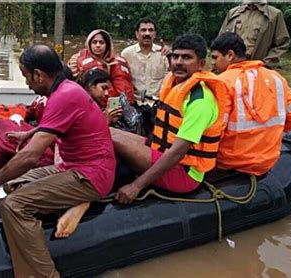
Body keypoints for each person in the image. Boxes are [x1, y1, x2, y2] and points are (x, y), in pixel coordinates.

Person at [0, 45, 116, 278]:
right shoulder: (65, 90)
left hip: (91, 175)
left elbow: (30, 157)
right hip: (71, 167)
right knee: (6, 189)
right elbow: (57, 127)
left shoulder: (64, 96)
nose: (27, 83)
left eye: (26, 76)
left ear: (38, 74)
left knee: (16, 205)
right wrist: (29, 134)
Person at [112, 33, 228, 204]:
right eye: (176, 56)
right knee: (106, 132)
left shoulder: (200, 101)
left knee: (110, 138)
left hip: (184, 172)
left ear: (201, 64)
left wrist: (136, 186)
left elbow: (177, 153)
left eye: (187, 57)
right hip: (161, 149)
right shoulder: (174, 84)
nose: (179, 62)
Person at [210, 32, 291, 176]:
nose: (212, 63)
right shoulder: (276, 78)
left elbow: (214, 132)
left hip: (229, 164)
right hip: (266, 163)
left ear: (230, 55)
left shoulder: (222, 82)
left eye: (215, 57)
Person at [67, 29, 134, 107]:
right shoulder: (76, 60)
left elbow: (124, 89)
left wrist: (116, 106)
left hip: (116, 105)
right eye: (94, 42)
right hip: (87, 104)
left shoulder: (117, 62)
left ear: (107, 45)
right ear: (89, 44)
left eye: (101, 42)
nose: (98, 45)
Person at [219, 0, 290, 68]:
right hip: (232, 67)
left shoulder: (274, 15)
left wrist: (266, 64)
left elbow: (282, 43)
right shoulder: (232, 13)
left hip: (258, 68)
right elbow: (220, 42)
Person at [121, 17, 170, 100]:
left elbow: (171, 77)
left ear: (155, 34)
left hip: (158, 102)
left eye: (151, 30)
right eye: (143, 30)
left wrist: (171, 56)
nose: (147, 33)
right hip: (136, 102)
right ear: (137, 34)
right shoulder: (126, 54)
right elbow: (121, 80)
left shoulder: (163, 53)